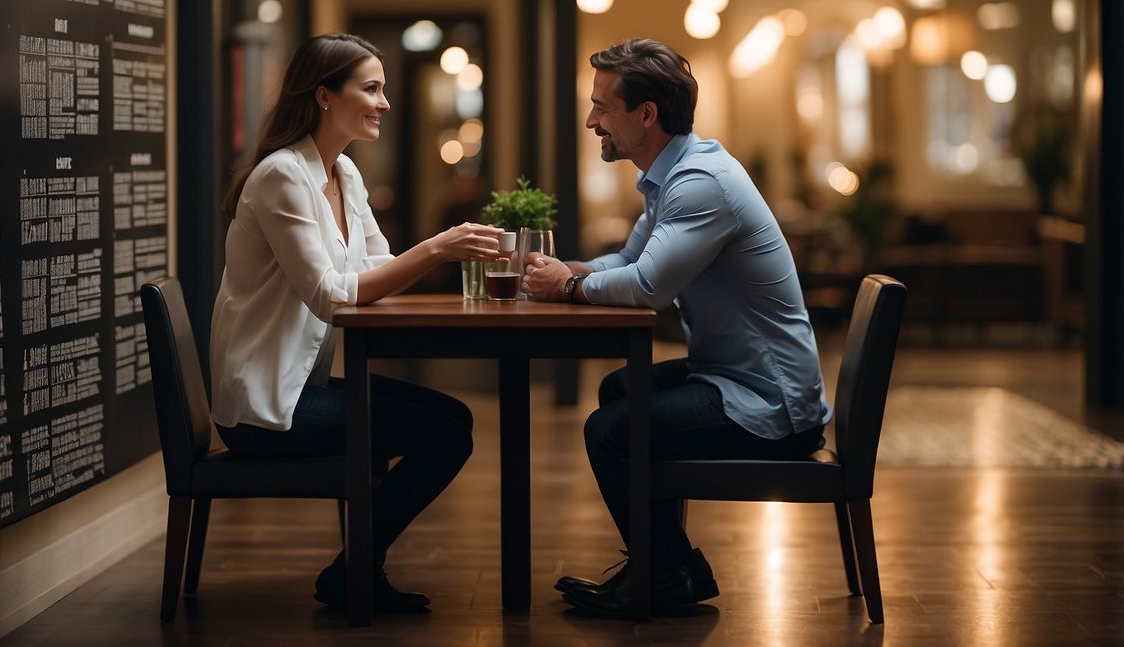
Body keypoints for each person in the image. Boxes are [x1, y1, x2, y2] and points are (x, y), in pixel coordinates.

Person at [522, 38, 831, 618]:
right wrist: (572, 270)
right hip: (733, 377)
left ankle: (664, 572)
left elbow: (646, 287)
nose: (591, 121)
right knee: (619, 392)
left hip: (771, 405)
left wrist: (566, 287)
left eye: (602, 108)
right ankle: (673, 566)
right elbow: (627, 263)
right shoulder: (676, 175)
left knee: (609, 430)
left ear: (646, 114)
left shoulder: (699, 184)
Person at [209, 33, 505, 614]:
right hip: (265, 406)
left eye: (383, 90)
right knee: (444, 434)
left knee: (453, 420)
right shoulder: (281, 176)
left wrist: (432, 256)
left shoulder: (342, 172)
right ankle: (353, 571)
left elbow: (378, 266)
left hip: (301, 389)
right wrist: (439, 249)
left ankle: (356, 568)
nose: (384, 103)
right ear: (324, 96)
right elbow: (331, 296)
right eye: (371, 89)